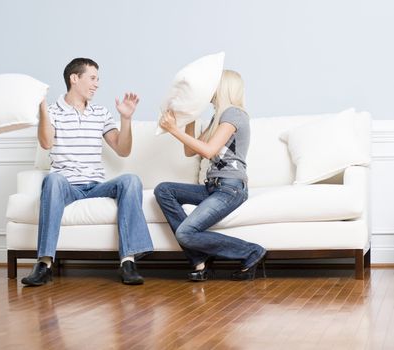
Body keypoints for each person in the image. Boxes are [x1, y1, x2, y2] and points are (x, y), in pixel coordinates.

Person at [21, 58, 154, 286]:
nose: (97, 84)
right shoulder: (52, 111)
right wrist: (42, 108)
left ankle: (128, 262)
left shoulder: (100, 113)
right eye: (92, 78)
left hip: (96, 185)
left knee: (130, 180)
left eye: (97, 79)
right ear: (74, 78)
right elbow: (45, 143)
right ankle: (44, 265)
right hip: (67, 185)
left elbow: (123, 150)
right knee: (52, 179)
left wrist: (126, 119)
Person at [154, 70, 266, 282]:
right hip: (213, 187)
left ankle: (251, 251)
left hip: (231, 187)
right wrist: (190, 117)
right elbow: (191, 151)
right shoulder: (218, 118)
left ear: (223, 88)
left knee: (185, 233)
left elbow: (209, 151)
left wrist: (172, 130)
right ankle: (199, 258)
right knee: (164, 190)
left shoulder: (234, 113)